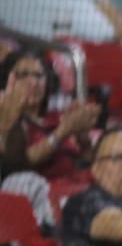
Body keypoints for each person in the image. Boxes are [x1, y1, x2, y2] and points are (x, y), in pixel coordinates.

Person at [0, 47, 101, 207]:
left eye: (38, 75)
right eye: (23, 75)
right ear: (7, 82)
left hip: (82, 188)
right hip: (43, 199)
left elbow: (84, 162)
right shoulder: (6, 122)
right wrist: (62, 132)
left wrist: (84, 142)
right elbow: (18, 164)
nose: (33, 82)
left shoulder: (58, 118)